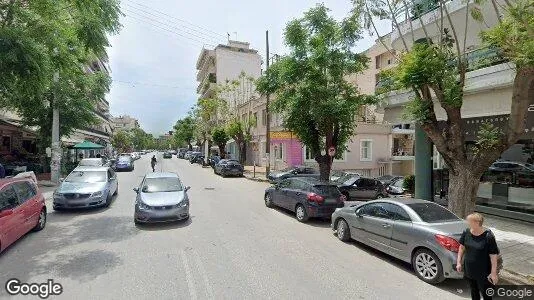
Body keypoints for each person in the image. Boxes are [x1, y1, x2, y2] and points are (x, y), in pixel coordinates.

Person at [457, 213, 500, 300]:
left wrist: (493, 273)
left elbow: (493, 256)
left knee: (486, 294)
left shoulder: (488, 236)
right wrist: (459, 262)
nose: (467, 223)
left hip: (484, 272)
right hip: (470, 270)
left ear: (477, 222)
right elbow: (461, 248)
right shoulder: (466, 232)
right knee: (474, 291)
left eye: (469, 221)